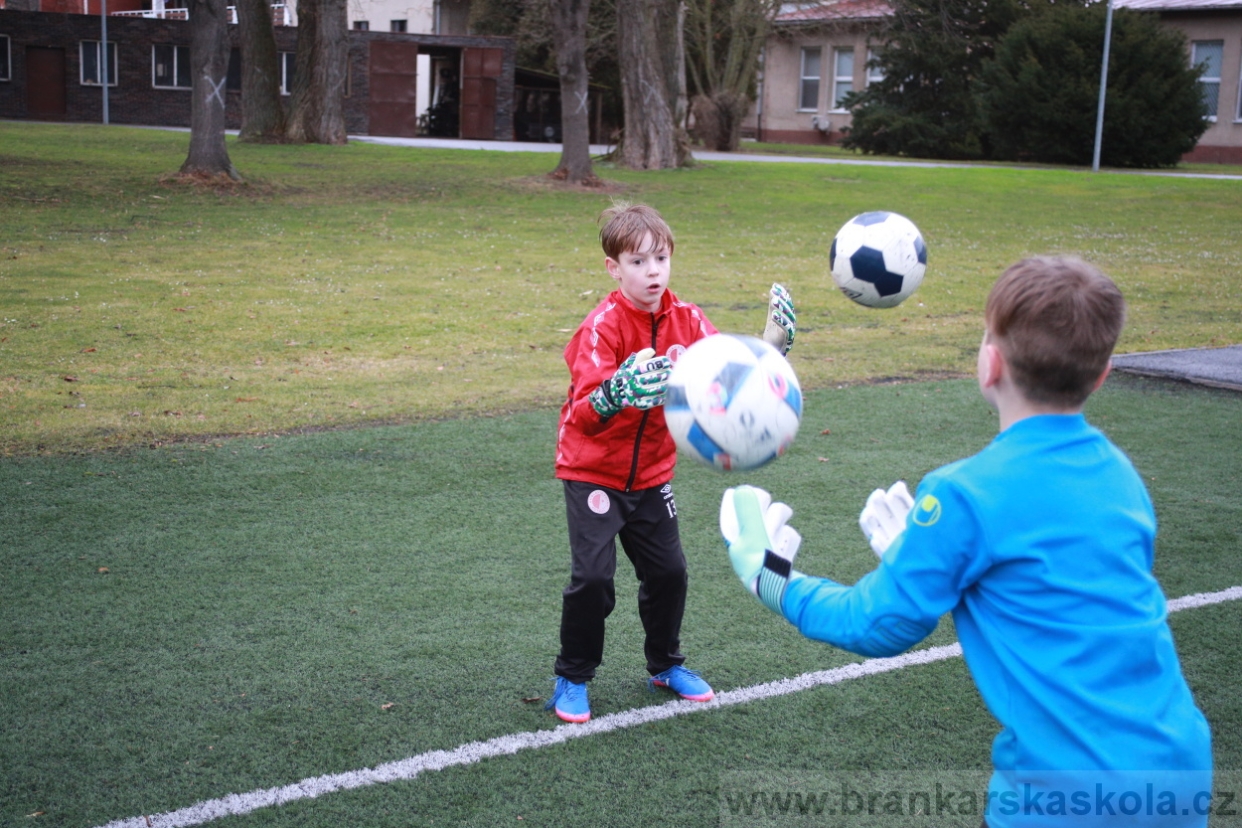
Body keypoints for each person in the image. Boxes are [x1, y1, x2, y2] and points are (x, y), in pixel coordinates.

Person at [720, 256, 1212, 826]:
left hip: (1067, 794)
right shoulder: (1120, 473)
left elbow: (876, 624)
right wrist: (937, 556)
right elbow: (1055, 588)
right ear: (1100, 375)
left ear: (990, 364)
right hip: (1180, 766)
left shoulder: (964, 493)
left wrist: (770, 577)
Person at [547, 202, 796, 724]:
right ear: (614, 268)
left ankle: (664, 664)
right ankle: (572, 675)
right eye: (637, 262)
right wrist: (616, 393)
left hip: (653, 473)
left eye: (660, 257)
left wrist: (770, 351)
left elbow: (723, 382)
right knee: (593, 578)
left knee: (670, 573)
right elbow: (583, 414)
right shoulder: (601, 328)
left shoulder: (690, 320)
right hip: (593, 470)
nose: (652, 270)